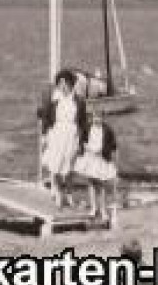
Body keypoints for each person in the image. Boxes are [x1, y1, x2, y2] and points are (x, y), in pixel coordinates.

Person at [39, 71, 86, 207]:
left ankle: (69, 194)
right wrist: (44, 135)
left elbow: (83, 122)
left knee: (70, 166)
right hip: (57, 134)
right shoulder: (54, 101)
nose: (63, 86)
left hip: (72, 134)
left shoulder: (79, 101)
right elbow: (46, 119)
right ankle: (58, 193)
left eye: (65, 84)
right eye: (60, 84)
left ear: (71, 85)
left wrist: (83, 140)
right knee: (56, 164)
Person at [74, 105, 119, 223]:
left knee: (101, 184)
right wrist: (87, 148)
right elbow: (82, 141)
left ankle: (103, 209)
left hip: (101, 158)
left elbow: (113, 146)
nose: (97, 120)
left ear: (103, 118)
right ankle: (94, 208)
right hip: (90, 158)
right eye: (95, 117)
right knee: (91, 182)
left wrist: (103, 150)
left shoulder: (107, 130)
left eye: (99, 117)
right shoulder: (88, 127)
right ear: (92, 117)